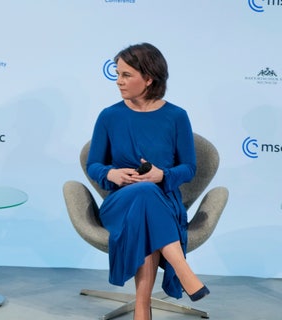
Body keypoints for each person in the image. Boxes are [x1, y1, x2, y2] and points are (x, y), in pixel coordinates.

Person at [86, 43, 209, 320]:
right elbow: (93, 164)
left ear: (149, 78)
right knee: (142, 195)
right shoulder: (110, 116)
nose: (118, 81)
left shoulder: (176, 116)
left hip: (163, 201)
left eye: (126, 75)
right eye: (117, 74)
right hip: (120, 203)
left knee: (147, 200)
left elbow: (189, 168)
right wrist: (111, 174)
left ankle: (143, 308)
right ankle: (183, 270)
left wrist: (163, 175)